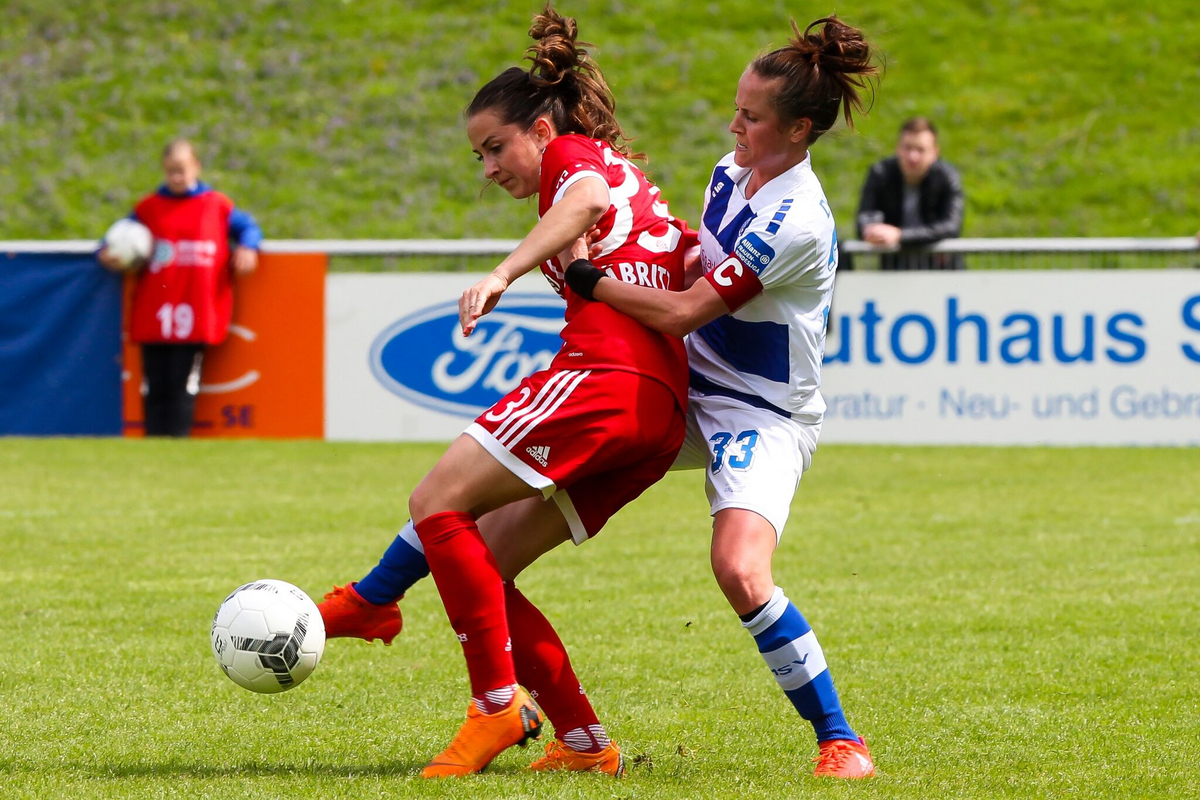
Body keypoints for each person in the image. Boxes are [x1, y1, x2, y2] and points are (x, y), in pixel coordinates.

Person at [320, 6, 690, 779]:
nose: (488, 167)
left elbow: (582, 200)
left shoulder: (574, 157)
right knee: (484, 559)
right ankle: (586, 745)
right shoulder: (633, 181)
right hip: (657, 415)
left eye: (495, 147)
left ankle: (492, 705)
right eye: (479, 155)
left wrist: (502, 273)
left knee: (436, 500)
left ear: (542, 131)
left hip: (604, 379)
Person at [562, 15, 879, 779]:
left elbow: (683, 309)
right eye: (736, 108)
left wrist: (584, 276)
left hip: (762, 413)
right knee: (519, 494)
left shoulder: (796, 219)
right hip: (688, 377)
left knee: (740, 571)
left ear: (800, 129)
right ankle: (545, 720)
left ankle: (842, 741)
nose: (732, 125)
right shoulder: (730, 172)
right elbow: (684, 259)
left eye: (751, 116)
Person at [98, 139, 261, 436]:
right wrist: (106, 252)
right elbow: (118, 236)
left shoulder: (217, 205)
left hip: (197, 309)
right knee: (154, 383)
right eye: (170, 171)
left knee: (182, 382)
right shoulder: (149, 208)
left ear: (196, 167)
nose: (176, 177)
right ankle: (155, 443)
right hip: (156, 310)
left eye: (182, 170)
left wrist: (249, 246)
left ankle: (176, 442)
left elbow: (249, 227)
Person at [856, 116, 965, 269]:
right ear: (898, 148)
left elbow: (952, 226)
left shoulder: (947, 176)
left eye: (920, 150)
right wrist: (871, 231)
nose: (913, 157)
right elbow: (863, 219)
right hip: (894, 271)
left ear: (935, 152)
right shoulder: (880, 173)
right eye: (907, 148)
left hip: (941, 272)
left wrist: (900, 236)